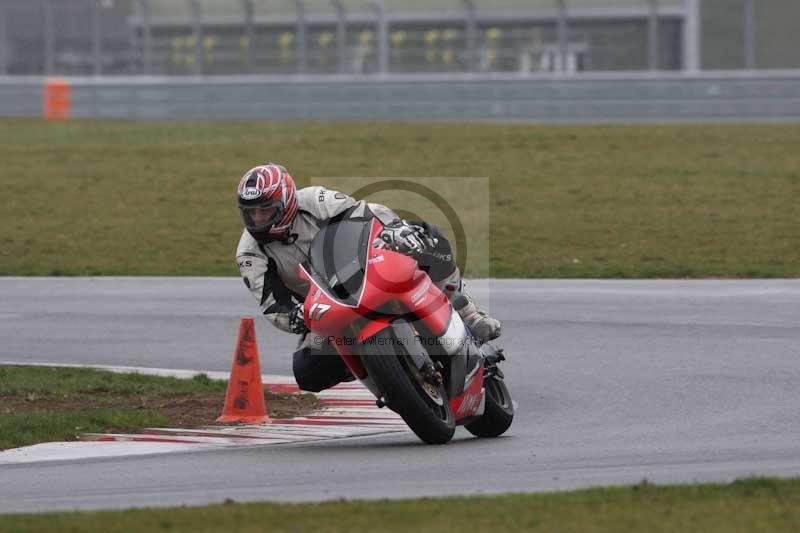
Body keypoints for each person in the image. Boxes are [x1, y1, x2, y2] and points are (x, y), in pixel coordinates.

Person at [236, 163, 500, 392]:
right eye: (251, 213)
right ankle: (379, 371)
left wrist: (393, 232)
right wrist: (295, 318)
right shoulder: (249, 253)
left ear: (286, 203)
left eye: (265, 211)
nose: (258, 219)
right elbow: (271, 302)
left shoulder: (315, 201)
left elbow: (364, 214)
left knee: (429, 237)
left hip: (367, 270)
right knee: (307, 371)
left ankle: (468, 313)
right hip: (328, 308)